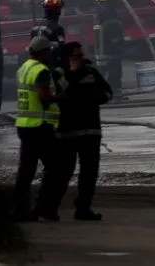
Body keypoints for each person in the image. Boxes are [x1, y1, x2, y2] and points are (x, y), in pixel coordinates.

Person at [50, 41, 112, 221]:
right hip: (68, 131)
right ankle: (50, 207)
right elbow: (67, 93)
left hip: (91, 130)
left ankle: (83, 208)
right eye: (74, 56)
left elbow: (107, 93)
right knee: (63, 172)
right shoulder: (59, 73)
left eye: (80, 55)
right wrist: (76, 76)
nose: (79, 59)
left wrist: (94, 99)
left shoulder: (91, 72)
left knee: (90, 172)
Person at [13, 36, 62, 221]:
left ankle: (21, 210)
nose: (51, 53)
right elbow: (44, 98)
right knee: (55, 168)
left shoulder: (23, 68)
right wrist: (61, 97)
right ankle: (43, 208)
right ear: (43, 52)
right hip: (40, 127)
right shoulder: (41, 71)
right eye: (48, 51)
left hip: (24, 125)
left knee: (26, 171)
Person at [92, 0, 125, 93]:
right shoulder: (107, 11)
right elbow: (113, 29)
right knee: (114, 69)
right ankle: (115, 90)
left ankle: (111, 89)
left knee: (110, 69)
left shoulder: (102, 8)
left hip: (106, 47)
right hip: (111, 48)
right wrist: (119, 45)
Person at [31, 0, 68, 72]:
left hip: (37, 68)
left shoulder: (35, 28)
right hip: (52, 69)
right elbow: (62, 50)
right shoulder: (57, 28)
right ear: (58, 11)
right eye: (59, 9)